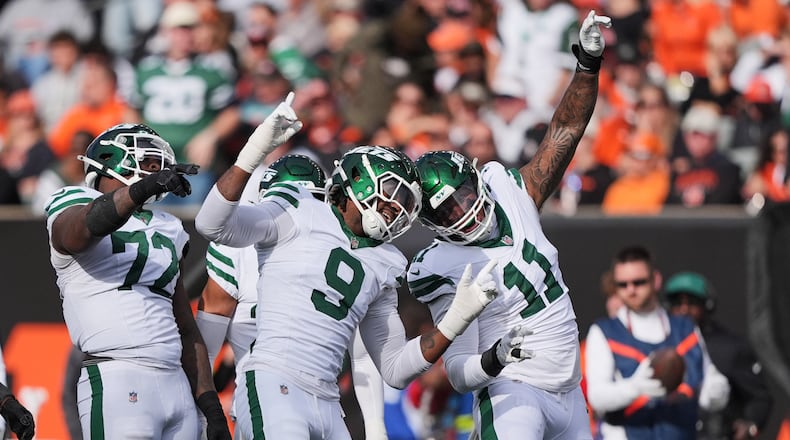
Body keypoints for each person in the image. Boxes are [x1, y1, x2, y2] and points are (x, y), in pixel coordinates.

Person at [195, 93, 522, 439]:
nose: (400, 210)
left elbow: (395, 369)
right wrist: (255, 150)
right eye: (396, 195)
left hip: (328, 398)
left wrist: (457, 318)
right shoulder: (298, 206)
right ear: (362, 180)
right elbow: (211, 224)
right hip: (274, 380)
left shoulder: (384, 261)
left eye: (407, 204)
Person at [407, 11, 612, 439]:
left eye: (462, 196)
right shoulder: (442, 265)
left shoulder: (510, 191)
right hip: (514, 391)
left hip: (572, 392)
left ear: (475, 179)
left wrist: (587, 67)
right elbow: (460, 373)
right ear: (430, 223)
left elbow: (566, 129)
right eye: (445, 212)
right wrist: (497, 357)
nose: (462, 212)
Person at [44, 123, 231, 439]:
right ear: (112, 161)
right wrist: (141, 189)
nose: (156, 172)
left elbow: (183, 325)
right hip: (118, 374)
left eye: (159, 167)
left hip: (176, 383)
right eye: (147, 163)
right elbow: (76, 234)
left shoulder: (169, 228)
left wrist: (210, 406)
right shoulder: (73, 198)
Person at [197, 154, 387, 438]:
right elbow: (206, 345)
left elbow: (362, 354)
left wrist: (375, 428)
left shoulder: (343, 258)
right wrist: (203, 413)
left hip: (323, 399)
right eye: (285, 203)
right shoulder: (236, 251)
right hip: (266, 396)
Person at [585, 245, 731, 439]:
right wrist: (636, 387)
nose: (631, 290)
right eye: (622, 284)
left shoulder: (685, 329)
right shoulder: (604, 332)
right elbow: (597, 397)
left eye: (639, 282)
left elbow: (710, 381)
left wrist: (716, 391)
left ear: (656, 280)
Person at [664, 271, 773, 440]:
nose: (684, 309)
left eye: (692, 303)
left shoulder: (730, 347)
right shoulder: (660, 344)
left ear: (707, 305)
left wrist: (750, 424)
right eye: (677, 303)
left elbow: (759, 398)